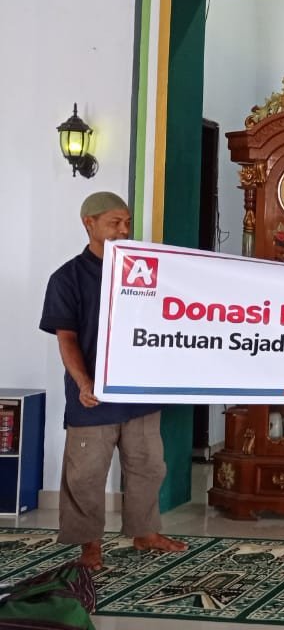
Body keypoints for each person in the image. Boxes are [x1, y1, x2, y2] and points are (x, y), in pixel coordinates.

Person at [39, 191, 187, 571]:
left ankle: (145, 532)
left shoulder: (147, 272)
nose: (123, 230)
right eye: (114, 223)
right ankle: (89, 544)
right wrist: (83, 383)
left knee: (148, 467)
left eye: (127, 223)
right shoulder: (67, 278)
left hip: (140, 394)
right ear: (89, 223)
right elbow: (66, 338)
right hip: (92, 398)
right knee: (85, 475)